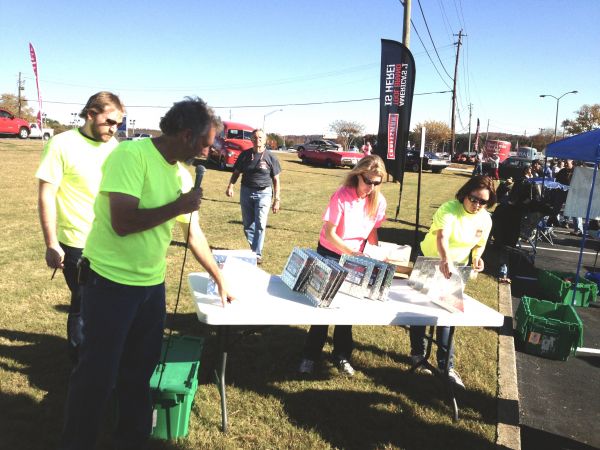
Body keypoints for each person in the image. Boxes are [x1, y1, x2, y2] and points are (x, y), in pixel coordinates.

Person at [59, 97, 233, 450]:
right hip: (109, 283)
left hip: (150, 287)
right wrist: (178, 206)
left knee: (140, 372)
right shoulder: (131, 156)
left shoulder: (180, 173)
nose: (207, 150)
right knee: (97, 375)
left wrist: (218, 276)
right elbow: (123, 222)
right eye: (204, 142)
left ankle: (132, 439)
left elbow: (192, 233)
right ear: (185, 135)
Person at [35, 91, 125, 363]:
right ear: (90, 114)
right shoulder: (61, 144)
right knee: (84, 304)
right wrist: (51, 243)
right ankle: (80, 363)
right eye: (109, 121)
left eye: (118, 123)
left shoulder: (115, 147)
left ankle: (101, 358)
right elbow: (46, 195)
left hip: (111, 240)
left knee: (109, 303)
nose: (114, 128)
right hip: (77, 243)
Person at [298, 155, 387, 376]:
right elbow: (330, 233)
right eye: (368, 181)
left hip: (356, 256)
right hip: (330, 252)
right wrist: (352, 252)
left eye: (377, 183)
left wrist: (375, 254)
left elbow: (373, 231)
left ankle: (342, 355)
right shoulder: (341, 196)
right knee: (324, 307)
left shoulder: (379, 201)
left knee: (347, 309)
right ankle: (310, 355)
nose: (372, 187)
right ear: (359, 174)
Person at [409, 175, 496, 389]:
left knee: (447, 315)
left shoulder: (485, 219)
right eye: (473, 198)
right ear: (465, 194)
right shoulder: (449, 208)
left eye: (482, 202)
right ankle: (417, 354)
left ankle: (445, 365)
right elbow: (441, 238)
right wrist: (444, 258)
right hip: (431, 260)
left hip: (456, 269)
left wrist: (476, 257)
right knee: (418, 311)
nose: (477, 205)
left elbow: (479, 244)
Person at [225, 129, 281, 263]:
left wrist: (277, 199)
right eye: (255, 137)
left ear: (265, 139)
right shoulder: (245, 155)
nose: (258, 140)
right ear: (251, 139)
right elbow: (236, 172)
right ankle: (253, 249)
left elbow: (276, 180)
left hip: (264, 193)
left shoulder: (271, 157)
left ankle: (257, 254)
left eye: (260, 137)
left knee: (260, 223)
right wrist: (230, 186)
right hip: (246, 192)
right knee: (248, 225)